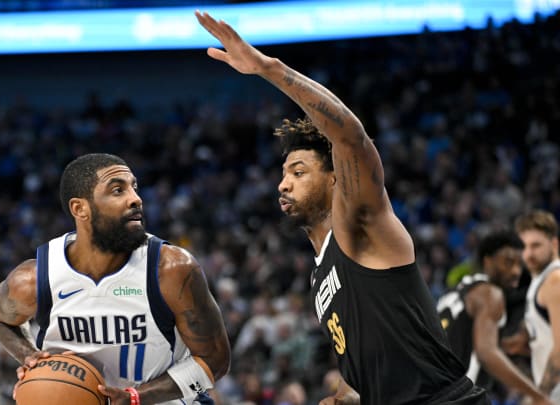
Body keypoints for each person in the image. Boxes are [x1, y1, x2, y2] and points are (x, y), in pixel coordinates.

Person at [194, 11, 487, 404]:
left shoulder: (358, 226)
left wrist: (269, 69)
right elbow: (363, 374)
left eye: (298, 171)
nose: (283, 183)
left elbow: (350, 137)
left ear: (335, 178)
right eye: (283, 173)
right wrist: (341, 397)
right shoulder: (319, 278)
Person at [0, 153, 231, 404]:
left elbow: (215, 362)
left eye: (134, 188)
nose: (136, 199)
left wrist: (136, 397)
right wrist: (28, 355)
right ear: (80, 209)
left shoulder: (172, 269)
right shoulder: (35, 279)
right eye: (117, 190)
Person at [437, 230, 551, 404]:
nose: (516, 271)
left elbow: (466, 344)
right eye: (508, 262)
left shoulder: (459, 291)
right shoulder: (491, 293)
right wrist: (537, 395)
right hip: (459, 398)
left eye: (519, 265)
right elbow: (486, 352)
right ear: (487, 261)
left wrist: (507, 346)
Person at [514, 210, 560, 401]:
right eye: (524, 247)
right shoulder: (540, 279)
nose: (528, 254)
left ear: (554, 243)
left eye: (536, 246)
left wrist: (539, 396)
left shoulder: (554, 281)